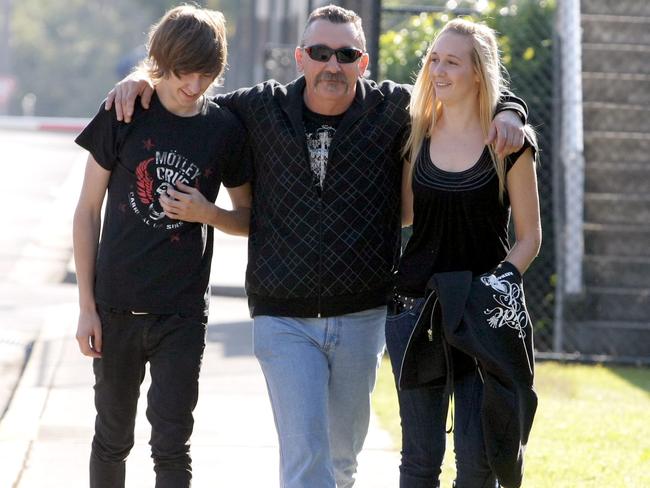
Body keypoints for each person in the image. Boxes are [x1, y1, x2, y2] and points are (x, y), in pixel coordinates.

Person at [105, 6, 528, 487]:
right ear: (300, 58)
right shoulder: (257, 108)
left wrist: (510, 109)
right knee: (307, 460)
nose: (333, 64)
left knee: (342, 463)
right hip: (281, 316)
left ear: (363, 62)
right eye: (321, 53)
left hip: (362, 315)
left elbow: (463, 88)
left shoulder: (395, 109)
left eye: (346, 54)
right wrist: (141, 79)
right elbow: (187, 92)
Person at [73, 5, 251, 487]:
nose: (194, 86)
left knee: (172, 447)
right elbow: (87, 210)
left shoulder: (225, 129)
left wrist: (207, 214)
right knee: (112, 439)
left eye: (206, 75)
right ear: (159, 63)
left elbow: (249, 218)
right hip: (115, 309)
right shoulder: (125, 110)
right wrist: (86, 308)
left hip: (182, 315)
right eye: (182, 74)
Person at [385, 18, 541, 488]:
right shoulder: (416, 136)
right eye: (434, 58)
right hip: (416, 312)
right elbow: (405, 217)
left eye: (452, 61)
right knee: (419, 463)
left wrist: (493, 290)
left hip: (482, 317)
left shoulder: (509, 145)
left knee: (478, 466)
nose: (438, 69)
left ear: (479, 72)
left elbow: (529, 238)